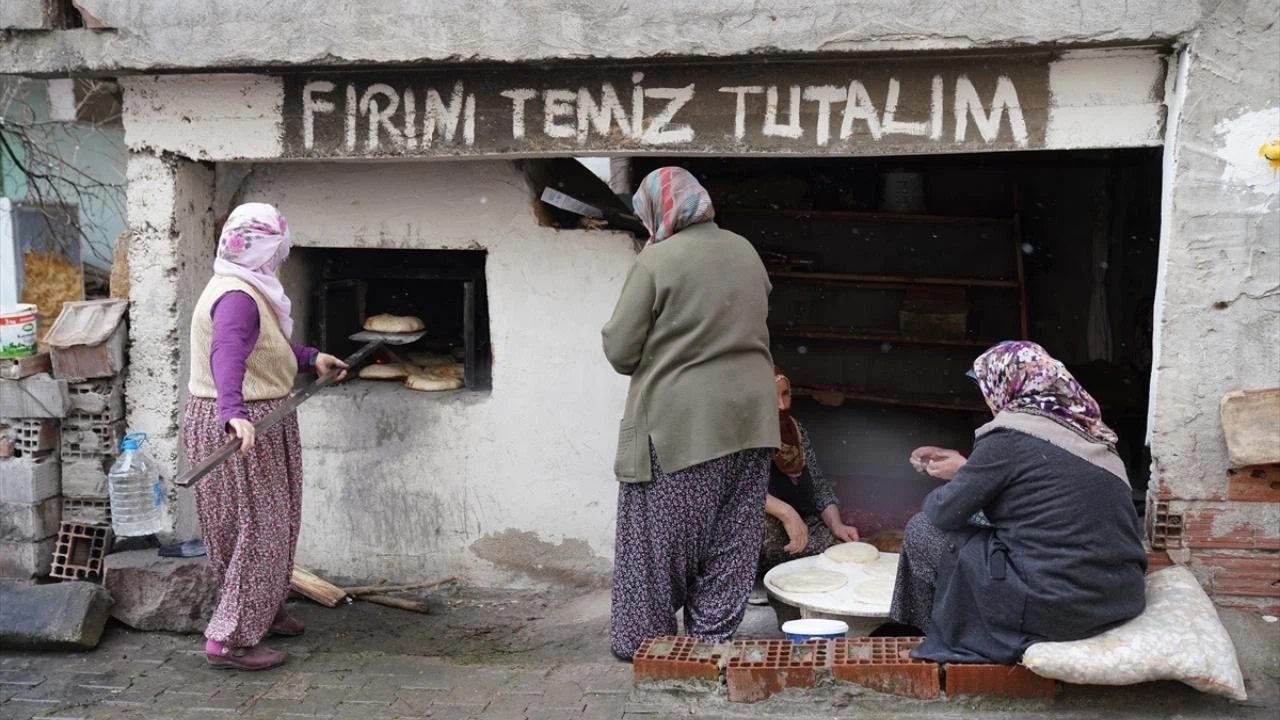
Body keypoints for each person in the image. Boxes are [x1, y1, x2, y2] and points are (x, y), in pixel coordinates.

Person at [603, 167, 780, 661]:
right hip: (752, 418)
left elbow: (620, 350)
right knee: (732, 540)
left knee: (657, 546)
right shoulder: (745, 250)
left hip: (682, 425)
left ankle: (647, 645)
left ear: (659, 211)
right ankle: (710, 641)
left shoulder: (658, 259)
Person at [891, 340, 1147, 664]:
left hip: (1060, 607)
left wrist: (964, 478)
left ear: (1008, 385)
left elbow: (944, 511)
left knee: (922, 529)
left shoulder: (1009, 435)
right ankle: (947, 634)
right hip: (1115, 599)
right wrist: (970, 469)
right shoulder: (1090, 433)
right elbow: (1037, 502)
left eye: (985, 387)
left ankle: (945, 639)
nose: (986, 398)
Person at [184, 203, 349, 670]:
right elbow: (227, 353)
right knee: (263, 528)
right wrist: (235, 414)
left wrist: (310, 357)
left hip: (242, 416)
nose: (282, 257)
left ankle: (261, 608)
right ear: (263, 249)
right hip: (247, 424)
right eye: (279, 248)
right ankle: (230, 640)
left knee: (246, 526)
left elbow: (263, 347)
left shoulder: (240, 285)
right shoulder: (237, 296)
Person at [760, 368, 859, 574]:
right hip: (759, 529)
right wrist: (788, 514)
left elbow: (818, 484)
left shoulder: (796, 431)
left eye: (785, 394)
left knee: (843, 557)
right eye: (771, 396)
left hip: (800, 523)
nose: (781, 404)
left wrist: (836, 525)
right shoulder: (743, 437)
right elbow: (738, 491)